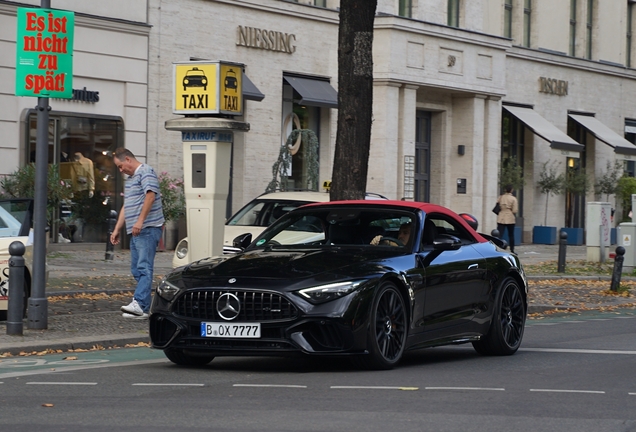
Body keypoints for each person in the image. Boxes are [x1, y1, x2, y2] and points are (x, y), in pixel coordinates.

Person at [110, 148, 165, 319]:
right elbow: (127, 206)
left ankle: (140, 303)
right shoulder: (131, 179)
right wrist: (118, 229)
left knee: (143, 267)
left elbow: (150, 196)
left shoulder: (146, 172)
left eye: (120, 166)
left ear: (128, 159)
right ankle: (142, 307)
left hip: (148, 228)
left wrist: (140, 221)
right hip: (137, 230)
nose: (121, 170)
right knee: (137, 269)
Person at [497, 184, 518, 253]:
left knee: (499, 234)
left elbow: (497, 205)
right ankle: (512, 249)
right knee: (511, 234)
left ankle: (497, 248)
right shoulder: (513, 199)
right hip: (510, 217)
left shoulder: (501, 197)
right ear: (511, 190)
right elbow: (515, 210)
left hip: (501, 216)